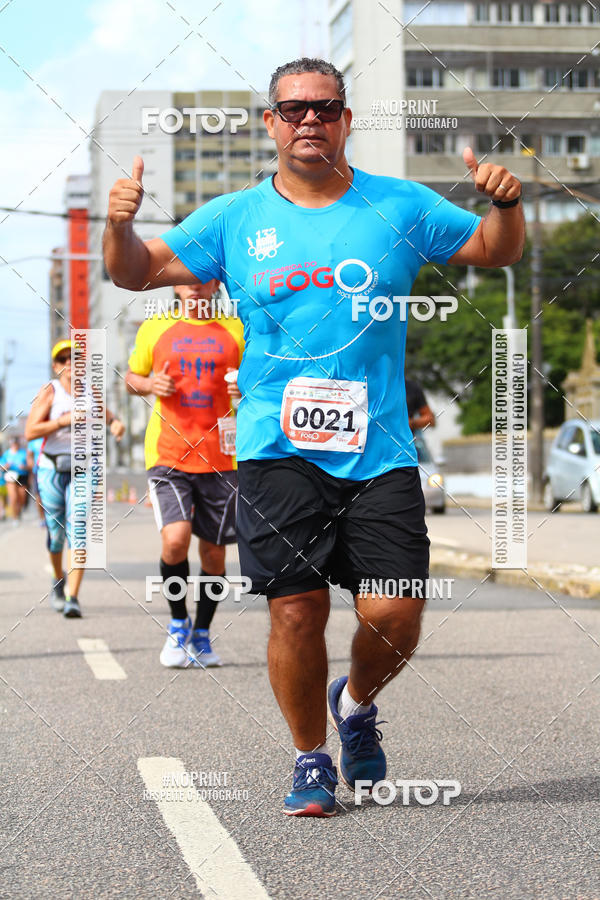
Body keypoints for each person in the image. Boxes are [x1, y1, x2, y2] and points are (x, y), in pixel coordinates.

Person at [103, 58, 524, 816]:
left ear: (345, 119)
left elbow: (497, 252)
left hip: (382, 450)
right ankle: (309, 759)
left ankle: (356, 701)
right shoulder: (234, 217)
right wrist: (118, 224)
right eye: (292, 109)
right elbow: (137, 273)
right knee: (296, 610)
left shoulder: (400, 204)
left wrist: (506, 204)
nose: (309, 120)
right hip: (276, 448)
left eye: (325, 108)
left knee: (395, 612)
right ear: (270, 122)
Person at [125, 281, 243, 668]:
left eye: (202, 279)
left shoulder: (237, 329)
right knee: (175, 541)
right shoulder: (155, 327)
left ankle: (203, 634)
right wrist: (148, 383)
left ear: (215, 285)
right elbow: (131, 377)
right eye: (186, 278)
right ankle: (178, 623)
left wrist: (245, 389)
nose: (194, 285)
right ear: (175, 284)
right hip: (169, 455)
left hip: (223, 459)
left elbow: (260, 381)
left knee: (213, 553)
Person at [25, 339, 125, 617]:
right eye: (64, 360)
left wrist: (116, 424)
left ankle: (73, 597)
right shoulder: (50, 392)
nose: (71, 364)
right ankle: (59, 580)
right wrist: (62, 421)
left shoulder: (91, 392)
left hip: (85, 467)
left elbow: (108, 416)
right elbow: (30, 431)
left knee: (78, 526)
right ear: (57, 367)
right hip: (52, 468)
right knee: (56, 535)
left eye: (76, 359)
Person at [0, 435, 29, 522]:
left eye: (15, 443)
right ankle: (15, 517)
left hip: (22, 476)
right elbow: (2, 467)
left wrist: (24, 467)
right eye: (12, 444)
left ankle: (19, 510)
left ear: (18, 444)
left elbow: (30, 466)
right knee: (13, 497)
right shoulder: (6, 454)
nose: (14, 445)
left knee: (22, 497)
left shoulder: (23, 453)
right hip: (10, 477)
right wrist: (6, 466)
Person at [27, 436, 47, 526]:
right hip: (37, 471)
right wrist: (32, 466)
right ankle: (42, 518)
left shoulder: (50, 435)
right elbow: (29, 456)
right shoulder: (33, 439)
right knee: (38, 496)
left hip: (51, 470)